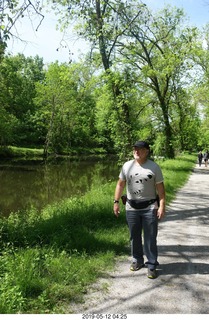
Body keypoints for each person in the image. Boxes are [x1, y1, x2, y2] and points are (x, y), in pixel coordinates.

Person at [113, 140, 165, 279]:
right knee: (134, 236)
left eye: (140, 149)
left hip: (150, 207)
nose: (136, 151)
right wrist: (116, 202)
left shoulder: (154, 167)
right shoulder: (126, 166)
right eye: (135, 148)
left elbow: (160, 189)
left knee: (150, 237)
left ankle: (152, 264)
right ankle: (137, 260)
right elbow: (120, 185)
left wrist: (162, 206)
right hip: (131, 207)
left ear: (147, 151)